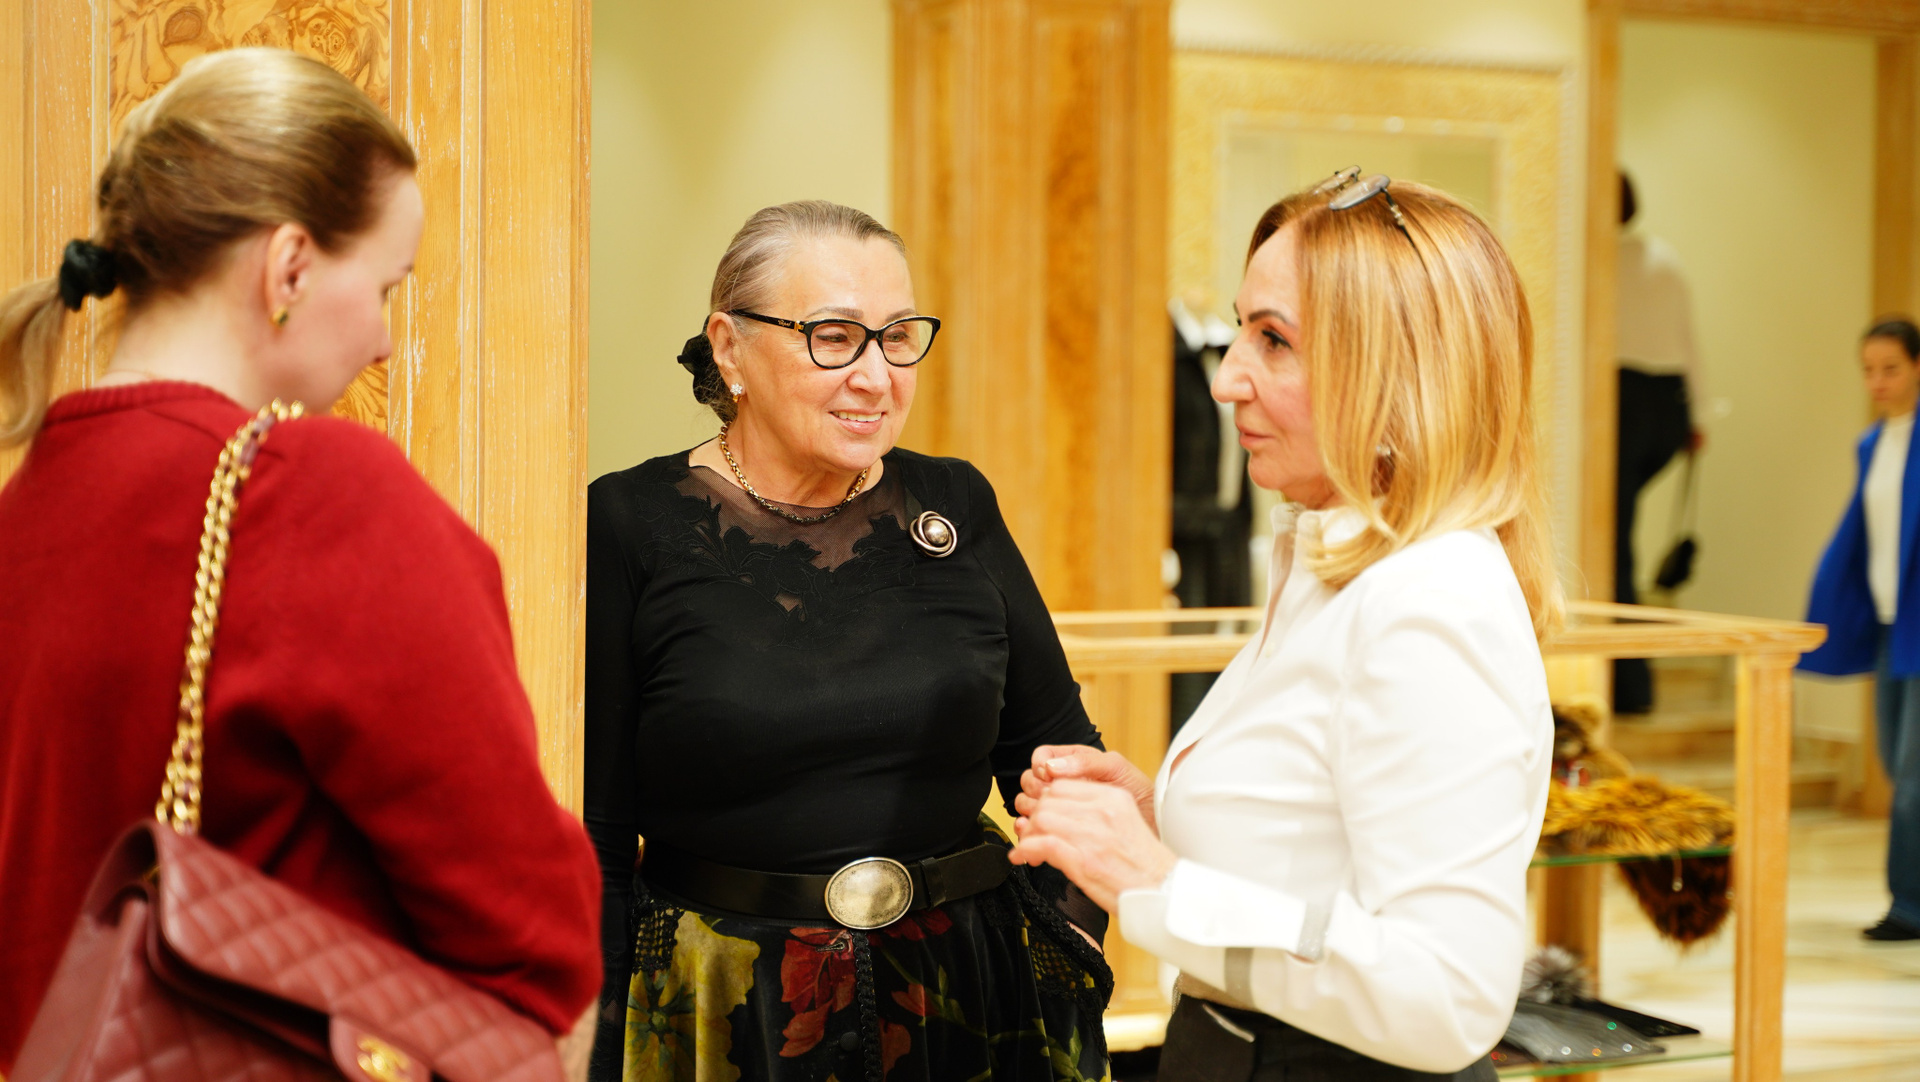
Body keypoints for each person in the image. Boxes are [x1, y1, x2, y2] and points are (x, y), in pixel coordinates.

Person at [0, 48, 601, 1071]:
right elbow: (532, 935)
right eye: (387, 286)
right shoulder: (308, 493)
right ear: (288, 267)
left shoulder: (28, 506)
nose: (384, 342)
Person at [1009, 173, 1559, 1080]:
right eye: (1240, 331)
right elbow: (1312, 844)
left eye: (1275, 341)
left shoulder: (1428, 603)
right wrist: (1160, 816)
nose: (1228, 379)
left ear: (1397, 371)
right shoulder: (1337, 570)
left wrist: (1154, 882)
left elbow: (1447, 996)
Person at [584, 200, 1111, 1082]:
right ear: (729, 347)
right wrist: (593, 1045)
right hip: (729, 1011)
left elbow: (1061, 760)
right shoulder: (627, 521)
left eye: (898, 337)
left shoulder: (956, 501)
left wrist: (1070, 953)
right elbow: (596, 837)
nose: (876, 376)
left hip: (969, 994)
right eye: (834, 337)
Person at [1800, 317, 1920, 942]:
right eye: (1868, 370)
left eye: (1891, 369)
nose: (1877, 382)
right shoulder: (1872, 443)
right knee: (1895, 765)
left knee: (1913, 773)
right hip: (1890, 624)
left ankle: (1909, 906)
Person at [1615, 170, 1705, 713]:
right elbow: (1689, 342)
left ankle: (1631, 687)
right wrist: (1699, 417)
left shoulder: (1593, 260)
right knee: (1618, 538)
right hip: (1670, 406)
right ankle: (1632, 684)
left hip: (1622, 400)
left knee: (1612, 542)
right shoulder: (1665, 259)